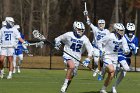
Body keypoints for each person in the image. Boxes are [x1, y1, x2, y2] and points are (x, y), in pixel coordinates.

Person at [54, 21, 98, 93]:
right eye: (79, 29)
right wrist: (57, 44)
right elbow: (57, 39)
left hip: (77, 58)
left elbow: (90, 50)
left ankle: (63, 90)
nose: (80, 31)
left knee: (72, 75)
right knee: (71, 66)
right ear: (74, 28)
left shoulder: (85, 39)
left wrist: (87, 59)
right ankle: (64, 85)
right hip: (67, 54)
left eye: (82, 30)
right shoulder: (69, 34)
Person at [97, 23, 130, 93]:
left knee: (111, 74)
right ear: (116, 30)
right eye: (120, 30)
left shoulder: (123, 39)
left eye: (123, 30)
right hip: (107, 56)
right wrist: (101, 50)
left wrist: (126, 51)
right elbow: (99, 42)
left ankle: (103, 89)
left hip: (115, 58)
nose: (122, 32)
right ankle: (102, 70)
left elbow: (126, 48)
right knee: (111, 69)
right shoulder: (110, 36)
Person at [111, 23, 139, 93]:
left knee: (124, 73)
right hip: (121, 54)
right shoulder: (123, 37)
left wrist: (134, 48)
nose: (130, 33)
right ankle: (116, 69)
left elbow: (135, 53)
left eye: (132, 31)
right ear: (126, 30)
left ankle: (114, 87)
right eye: (129, 31)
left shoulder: (135, 39)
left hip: (128, 57)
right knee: (125, 68)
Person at [83, 10, 110, 77]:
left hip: (103, 48)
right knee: (95, 60)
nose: (101, 25)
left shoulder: (107, 31)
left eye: (102, 24)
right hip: (96, 48)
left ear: (104, 24)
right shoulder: (95, 29)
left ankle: (100, 70)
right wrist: (86, 15)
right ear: (98, 24)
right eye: (100, 24)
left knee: (104, 61)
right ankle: (97, 69)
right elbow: (88, 22)